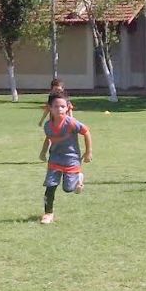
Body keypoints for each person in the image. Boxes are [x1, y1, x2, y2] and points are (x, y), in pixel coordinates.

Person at [38, 93, 92, 224]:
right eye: (56, 106)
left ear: (67, 108)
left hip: (71, 159)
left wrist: (88, 152)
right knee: (50, 186)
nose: (59, 109)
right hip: (55, 159)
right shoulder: (47, 126)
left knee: (68, 189)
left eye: (62, 106)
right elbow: (48, 138)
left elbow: (86, 132)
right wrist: (43, 152)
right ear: (50, 108)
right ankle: (48, 213)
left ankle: (78, 178)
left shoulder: (71, 123)